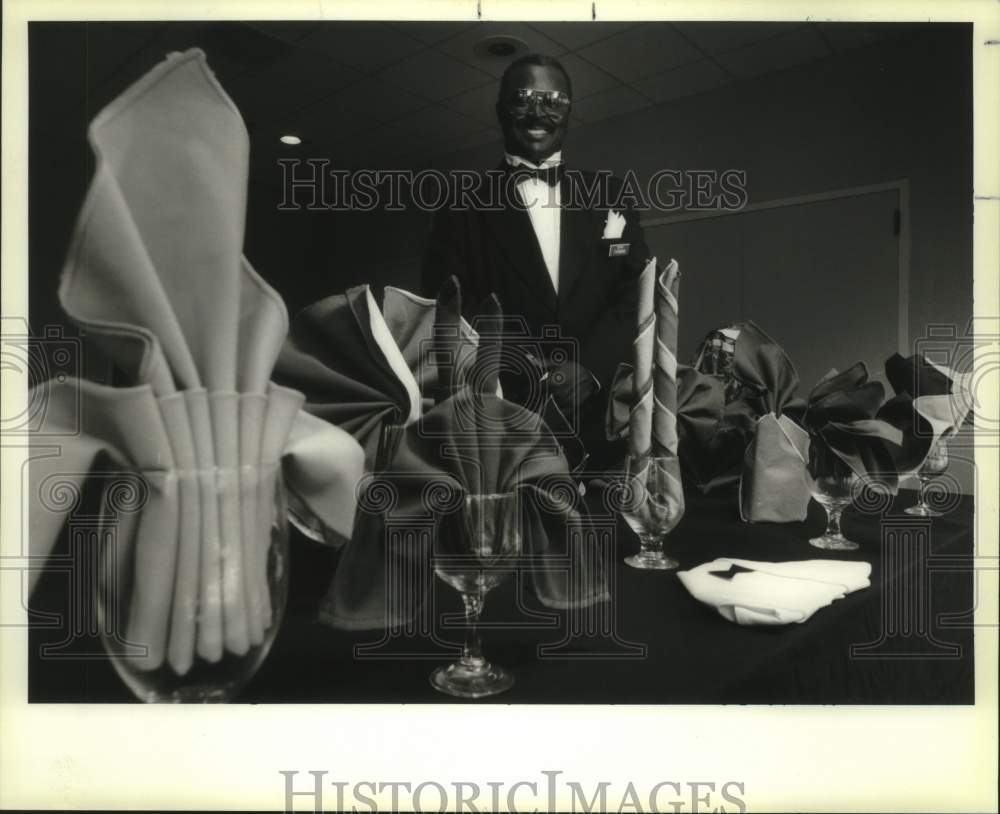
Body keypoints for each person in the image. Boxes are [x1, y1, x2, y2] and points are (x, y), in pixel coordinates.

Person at [421, 53, 655, 470]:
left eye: (553, 100)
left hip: (599, 425)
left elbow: (636, 292)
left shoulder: (611, 195)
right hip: (502, 422)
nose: (538, 113)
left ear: (568, 112)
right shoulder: (460, 207)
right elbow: (449, 304)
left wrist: (590, 367)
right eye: (523, 98)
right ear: (499, 112)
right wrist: (523, 369)